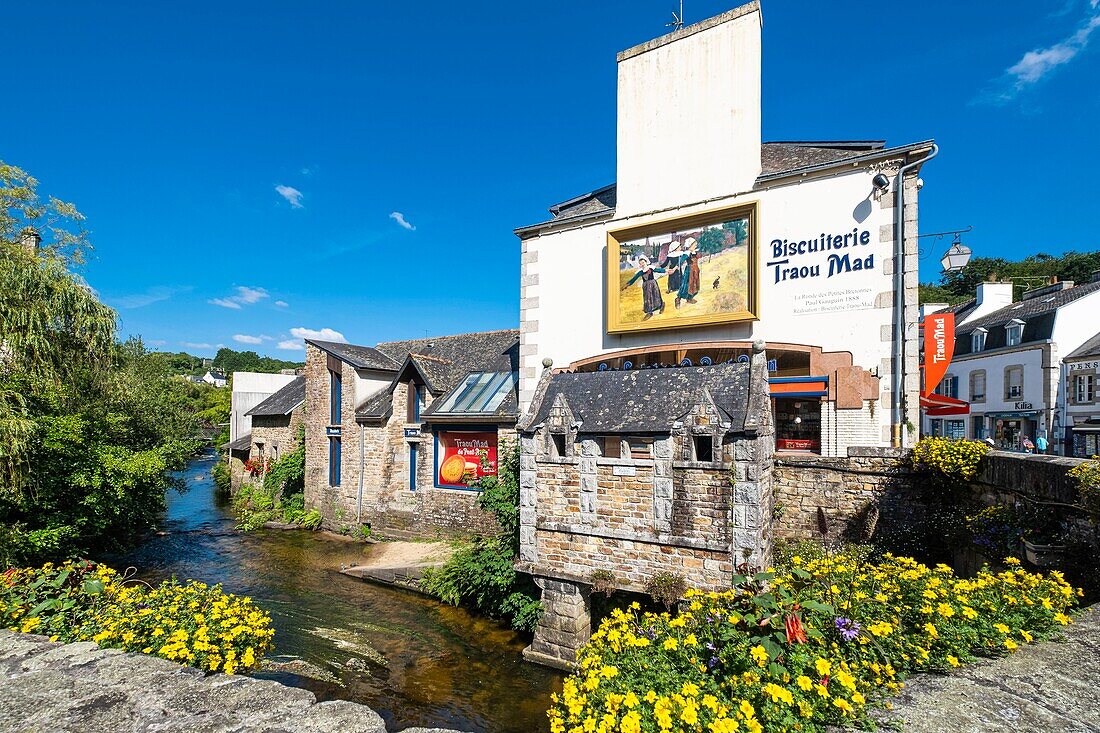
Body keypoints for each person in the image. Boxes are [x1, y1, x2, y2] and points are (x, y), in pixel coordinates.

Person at [676, 237, 701, 307]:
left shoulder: (694, 252)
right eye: (694, 245)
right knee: (686, 286)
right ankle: (678, 299)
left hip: (695, 270)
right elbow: (680, 261)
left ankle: (689, 298)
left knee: (694, 284)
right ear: (690, 245)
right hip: (689, 271)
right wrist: (675, 267)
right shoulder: (687, 253)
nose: (696, 246)